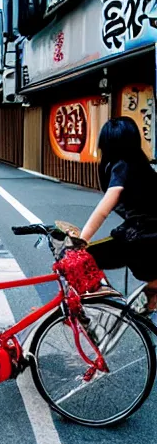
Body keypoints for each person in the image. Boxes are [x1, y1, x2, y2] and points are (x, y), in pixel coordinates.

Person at [81, 117, 157, 310]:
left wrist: (81, 240)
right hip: (146, 235)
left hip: (145, 236)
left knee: (86, 257)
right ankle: (151, 300)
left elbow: (105, 206)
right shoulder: (140, 165)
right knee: (149, 278)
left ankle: (104, 311)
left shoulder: (122, 165)